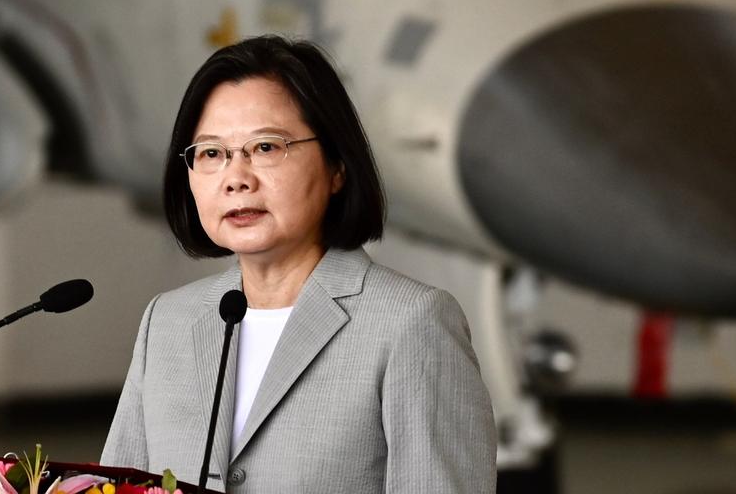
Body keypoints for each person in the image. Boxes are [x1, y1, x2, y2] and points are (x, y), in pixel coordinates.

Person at [101, 35, 496, 492]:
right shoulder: (166, 322)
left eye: (266, 147)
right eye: (212, 153)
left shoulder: (412, 324)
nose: (236, 179)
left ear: (336, 167)